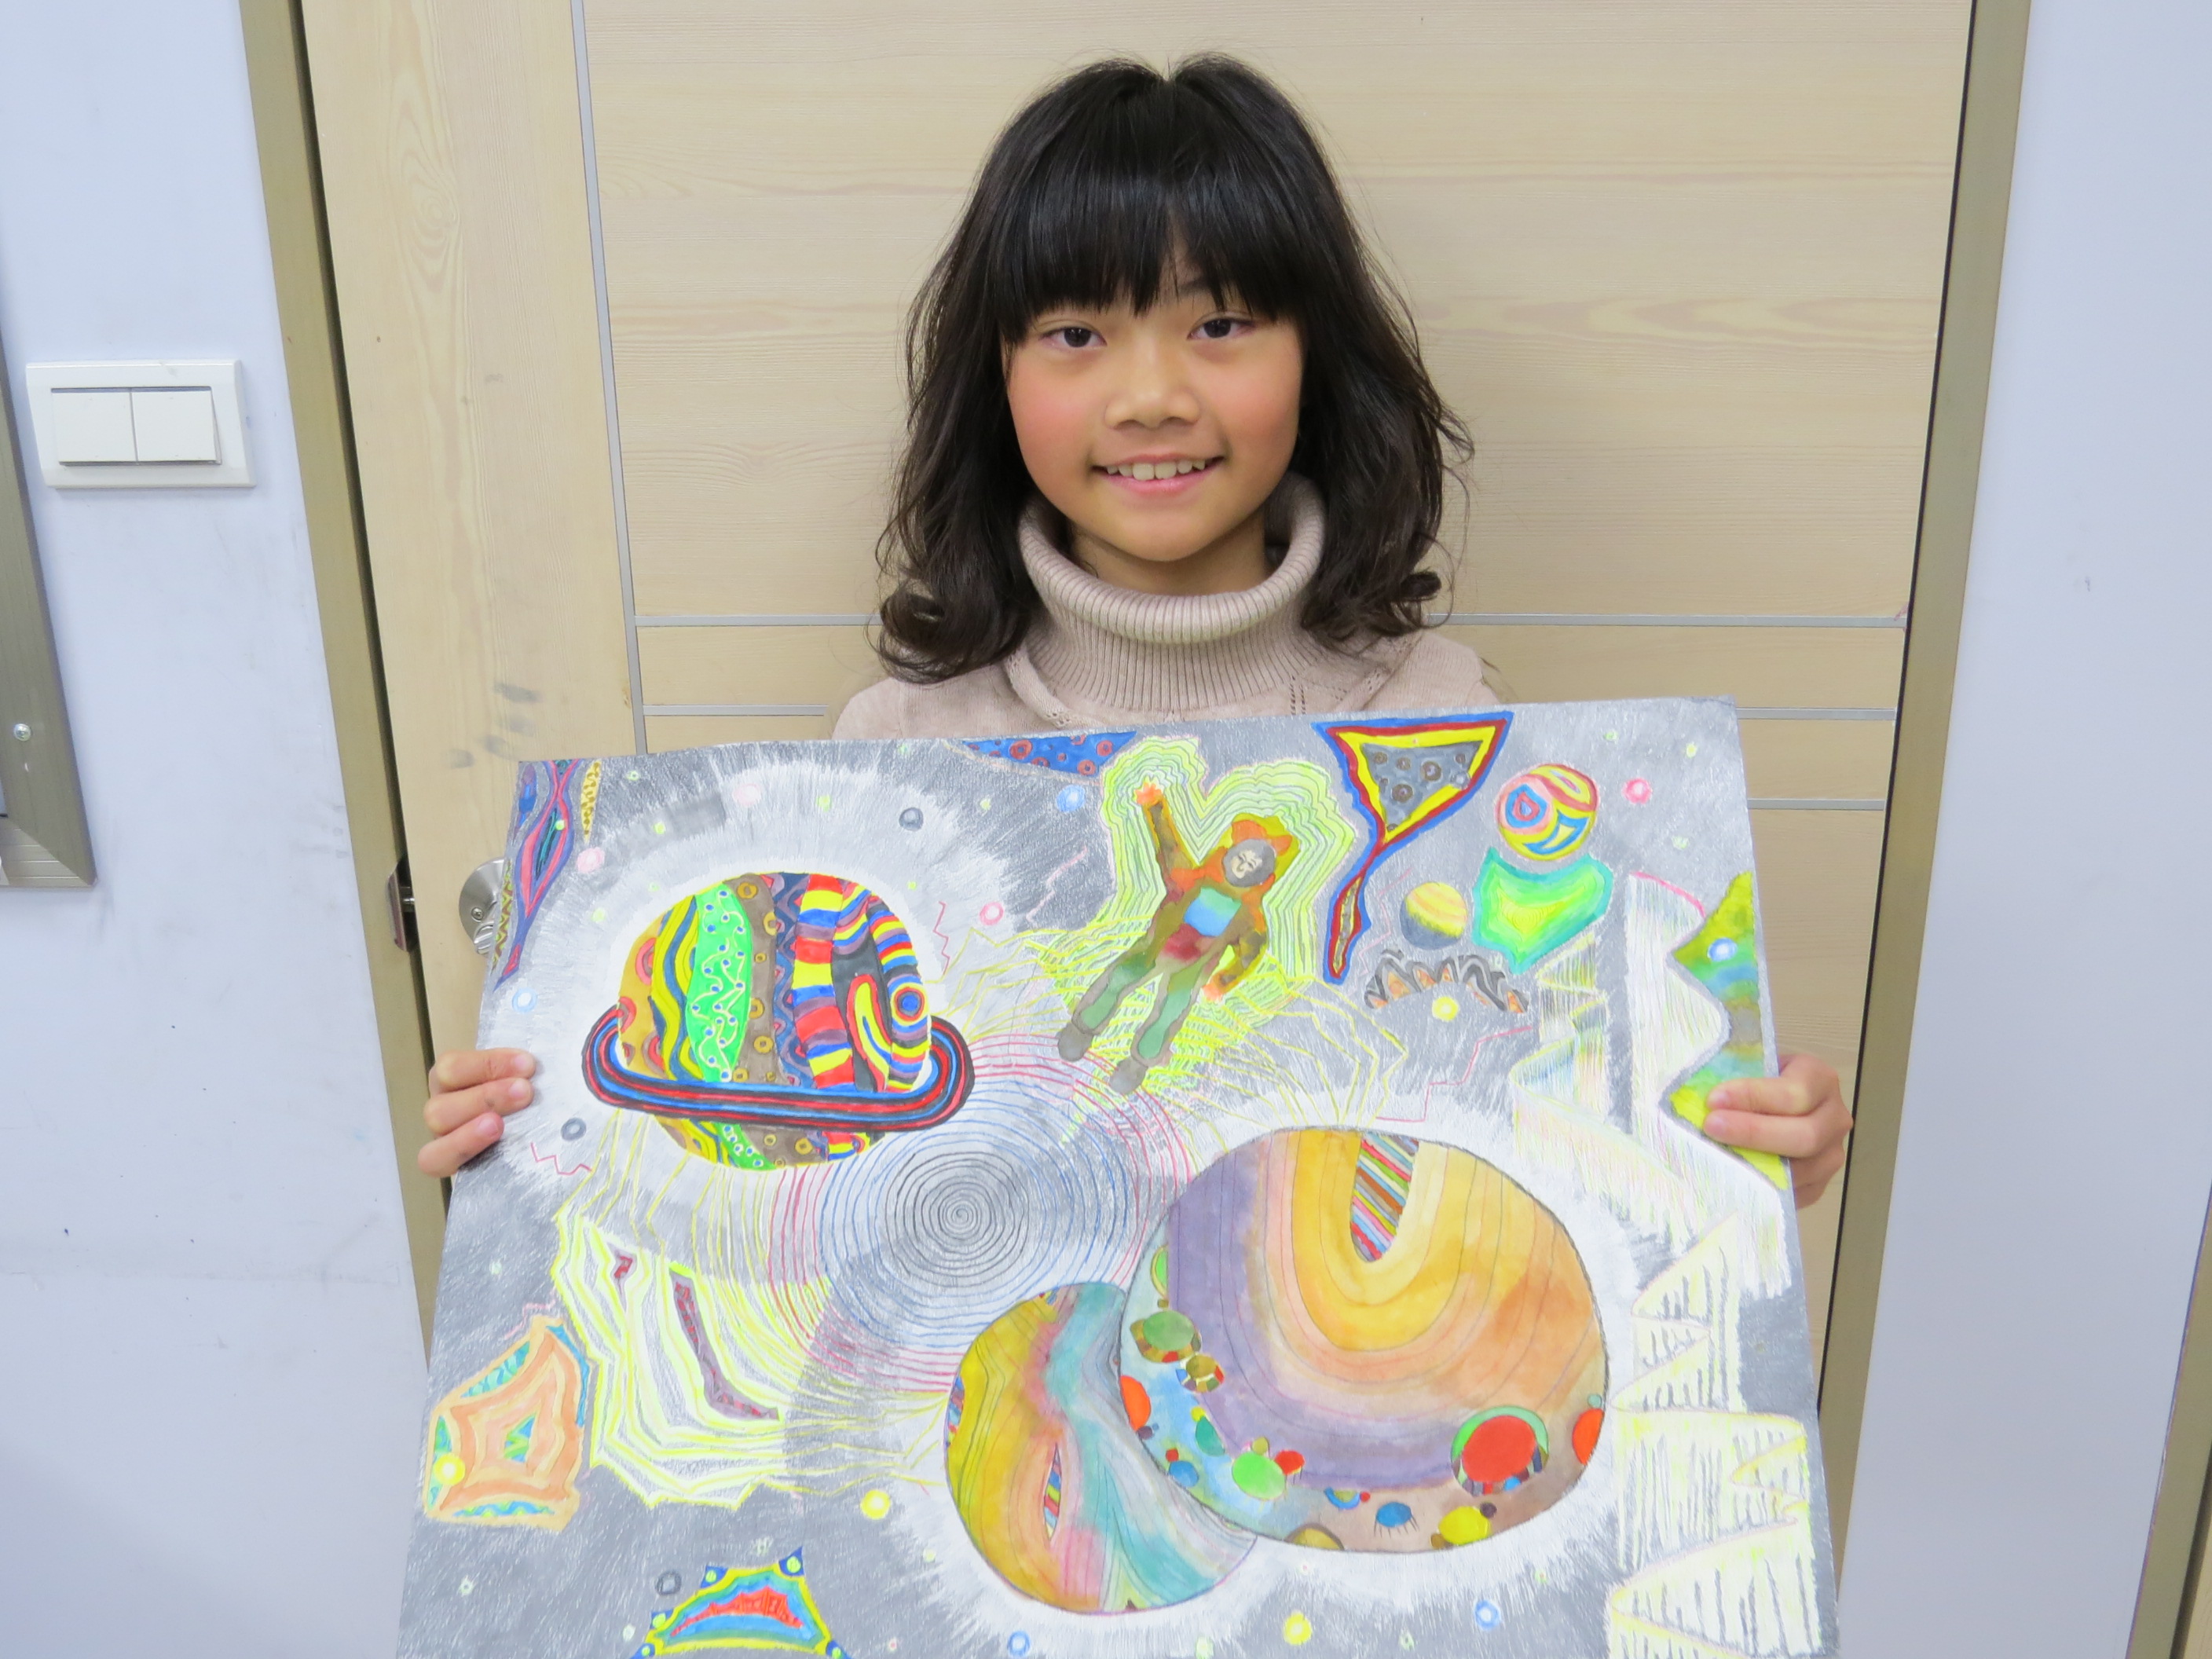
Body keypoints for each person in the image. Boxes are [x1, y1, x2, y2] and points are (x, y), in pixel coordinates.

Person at [420, 57, 1851, 1207]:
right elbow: (817, 1148)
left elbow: (1517, 1093)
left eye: (1220, 325)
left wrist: (1731, 1153)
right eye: (1075, 334)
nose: (1152, 394)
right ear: (996, 381)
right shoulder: (900, 749)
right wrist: (549, 1134)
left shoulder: (1442, 720)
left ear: (1314, 359)